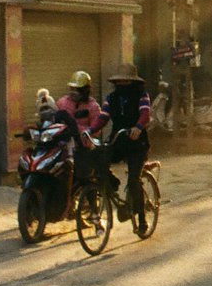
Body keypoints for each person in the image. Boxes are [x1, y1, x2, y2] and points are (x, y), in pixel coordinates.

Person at [95, 62, 152, 235]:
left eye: (126, 81)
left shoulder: (142, 95)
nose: (122, 84)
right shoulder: (111, 98)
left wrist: (138, 127)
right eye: (120, 82)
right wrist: (90, 131)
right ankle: (113, 184)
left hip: (137, 142)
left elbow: (145, 114)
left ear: (133, 82)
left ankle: (142, 220)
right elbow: (103, 117)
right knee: (97, 162)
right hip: (117, 140)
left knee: (134, 180)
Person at [56, 70, 103, 216]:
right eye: (73, 89)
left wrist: (80, 131)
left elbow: (96, 130)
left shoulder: (93, 107)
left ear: (86, 90)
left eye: (78, 89)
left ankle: (94, 213)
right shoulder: (62, 102)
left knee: (86, 178)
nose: (74, 92)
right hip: (63, 147)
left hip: (83, 147)